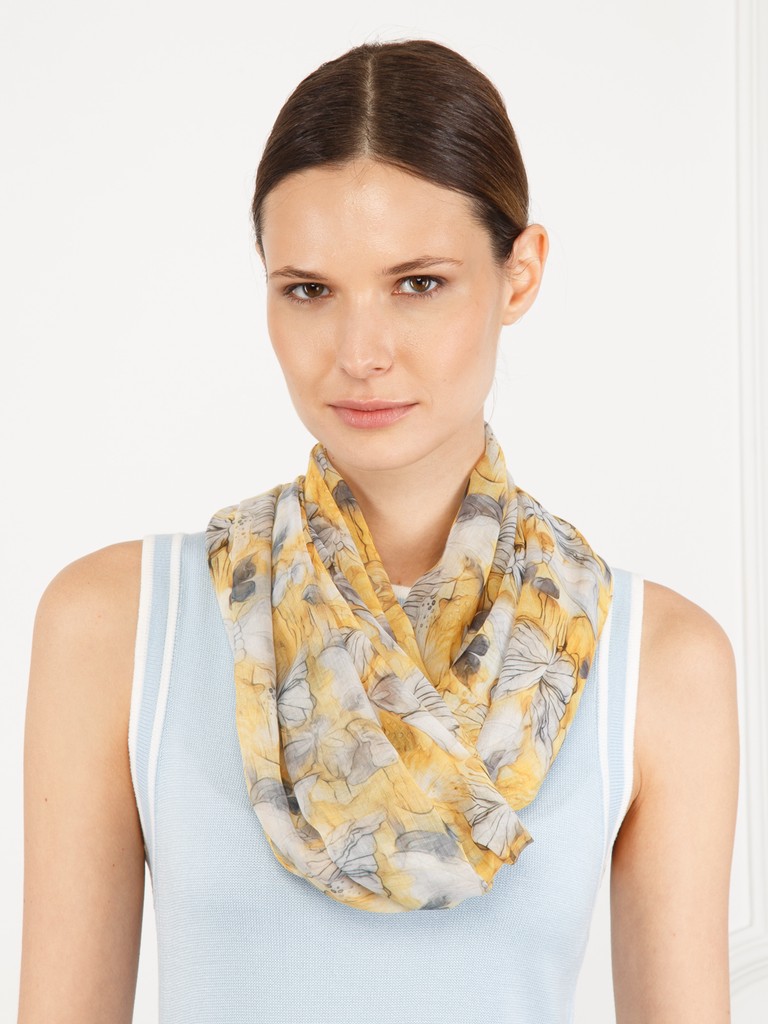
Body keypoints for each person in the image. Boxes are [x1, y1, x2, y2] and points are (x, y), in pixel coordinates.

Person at [18, 38, 739, 1024]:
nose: (360, 352)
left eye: (419, 283)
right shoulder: (117, 627)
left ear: (520, 274)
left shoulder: (659, 663)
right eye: (310, 290)